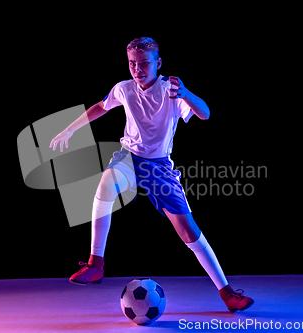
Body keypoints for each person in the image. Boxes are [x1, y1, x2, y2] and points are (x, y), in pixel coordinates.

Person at [50, 37, 253, 312]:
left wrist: (187, 95)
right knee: (105, 187)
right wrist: (70, 129)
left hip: (159, 166)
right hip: (129, 158)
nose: (138, 69)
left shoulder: (171, 89)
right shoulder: (124, 89)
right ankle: (95, 264)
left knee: (189, 232)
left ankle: (227, 293)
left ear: (158, 63)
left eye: (144, 63)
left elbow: (204, 114)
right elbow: (101, 106)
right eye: (132, 63)